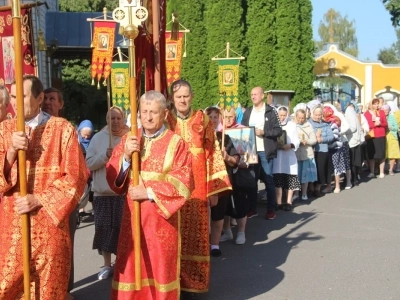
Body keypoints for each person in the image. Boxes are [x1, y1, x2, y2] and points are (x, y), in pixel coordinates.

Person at [0, 75, 88, 299]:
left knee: (48, 290)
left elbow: (76, 177)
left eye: (23, 96)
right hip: (13, 228)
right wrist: (10, 153)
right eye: (12, 96)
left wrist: (39, 199)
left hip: (49, 227)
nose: (16, 102)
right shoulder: (4, 130)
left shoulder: (62, 129)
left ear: (39, 98)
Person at [106, 91, 194, 299]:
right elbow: (114, 179)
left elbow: (183, 183)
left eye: (153, 112)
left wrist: (148, 192)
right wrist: (126, 157)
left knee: (159, 270)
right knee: (132, 269)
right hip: (132, 220)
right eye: (144, 112)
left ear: (164, 114)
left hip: (161, 223)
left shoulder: (176, 143)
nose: (148, 117)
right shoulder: (130, 139)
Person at [166, 80, 231, 298]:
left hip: (198, 187)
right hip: (172, 186)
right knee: (172, 235)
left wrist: (213, 190)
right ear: (172, 99)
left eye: (186, 96)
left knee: (196, 234)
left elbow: (213, 153)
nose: (182, 100)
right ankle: (172, 282)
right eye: (178, 97)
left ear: (192, 96)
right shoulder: (166, 119)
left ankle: (193, 284)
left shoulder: (202, 119)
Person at [86, 106, 129, 280]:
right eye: (112, 118)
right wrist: (105, 155)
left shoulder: (130, 137)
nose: (115, 122)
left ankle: (122, 263)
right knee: (104, 229)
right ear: (107, 119)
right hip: (102, 193)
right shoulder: (98, 138)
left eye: (118, 118)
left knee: (122, 229)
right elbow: (89, 163)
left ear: (124, 119)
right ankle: (106, 264)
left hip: (123, 193)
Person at [241, 86, 282, 220]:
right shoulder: (248, 111)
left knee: (268, 180)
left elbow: (278, 131)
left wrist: (264, 132)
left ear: (262, 95)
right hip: (251, 151)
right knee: (252, 181)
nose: (253, 97)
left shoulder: (271, 111)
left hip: (265, 150)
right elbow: (242, 128)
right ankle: (253, 209)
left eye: (256, 94)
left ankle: (271, 209)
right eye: (251, 94)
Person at [205, 107, 240, 256]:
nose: (212, 120)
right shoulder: (200, 137)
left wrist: (227, 158)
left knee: (218, 215)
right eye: (210, 117)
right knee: (204, 214)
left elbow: (235, 160)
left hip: (221, 182)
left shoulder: (223, 137)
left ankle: (215, 245)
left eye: (215, 117)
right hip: (204, 181)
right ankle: (203, 243)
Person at [272, 106, 301, 211]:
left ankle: (289, 201)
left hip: (289, 155)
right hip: (278, 155)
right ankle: (278, 202)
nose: (282, 117)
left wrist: (291, 145)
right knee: (278, 178)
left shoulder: (292, 125)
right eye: (280, 115)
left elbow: (297, 140)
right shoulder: (274, 125)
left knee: (290, 178)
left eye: (284, 115)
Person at [308, 105, 334, 197]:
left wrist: (322, 139)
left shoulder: (326, 124)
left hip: (322, 150)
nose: (317, 116)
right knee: (311, 169)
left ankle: (318, 188)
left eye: (319, 115)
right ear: (312, 114)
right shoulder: (308, 123)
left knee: (321, 170)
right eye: (316, 114)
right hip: (311, 149)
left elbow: (331, 137)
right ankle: (310, 187)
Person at [294, 108, 317, 200]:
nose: (301, 120)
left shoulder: (308, 126)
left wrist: (306, 141)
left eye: (302, 118)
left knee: (305, 175)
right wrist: (297, 142)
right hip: (295, 154)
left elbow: (314, 140)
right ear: (296, 117)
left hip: (306, 153)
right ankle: (296, 193)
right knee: (296, 174)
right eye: (299, 118)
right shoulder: (293, 125)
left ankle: (304, 193)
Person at [364, 98, 388, 178]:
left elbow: (385, 124)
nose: (376, 105)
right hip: (371, 136)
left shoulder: (381, 112)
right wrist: (374, 125)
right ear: (371, 104)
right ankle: (372, 171)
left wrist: (380, 123)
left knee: (381, 154)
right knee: (372, 155)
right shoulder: (366, 114)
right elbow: (366, 125)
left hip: (381, 135)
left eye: (377, 103)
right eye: (374, 104)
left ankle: (381, 172)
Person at [382, 104, 400, 175]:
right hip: (383, 137)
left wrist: (391, 128)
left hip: (392, 137)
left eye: (387, 109)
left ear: (389, 110)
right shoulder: (380, 117)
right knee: (383, 154)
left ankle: (391, 169)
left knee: (393, 154)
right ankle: (383, 169)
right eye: (384, 110)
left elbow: (397, 127)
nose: (385, 111)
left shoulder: (392, 117)